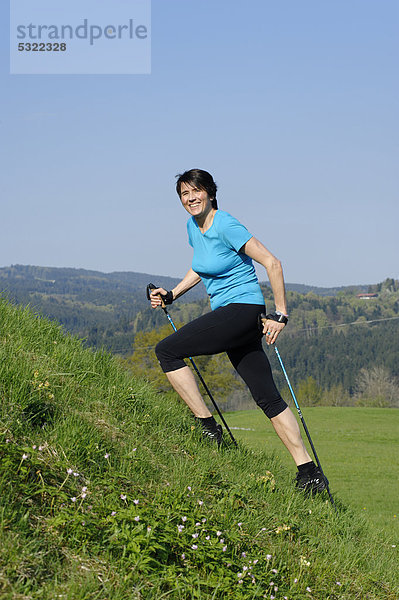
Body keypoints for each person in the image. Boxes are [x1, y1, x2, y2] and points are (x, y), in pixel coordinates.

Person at [150, 168, 327, 493]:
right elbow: (202, 266)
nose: (190, 198)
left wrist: (280, 314)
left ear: (211, 193)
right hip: (234, 316)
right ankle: (309, 473)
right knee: (266, 396)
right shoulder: (194, 227)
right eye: (184, 194)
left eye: (196, 191)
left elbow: (272, 262)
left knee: (167, 351)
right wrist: (173, 294)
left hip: (243, 312)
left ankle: (207, 428)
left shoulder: (226, 224)